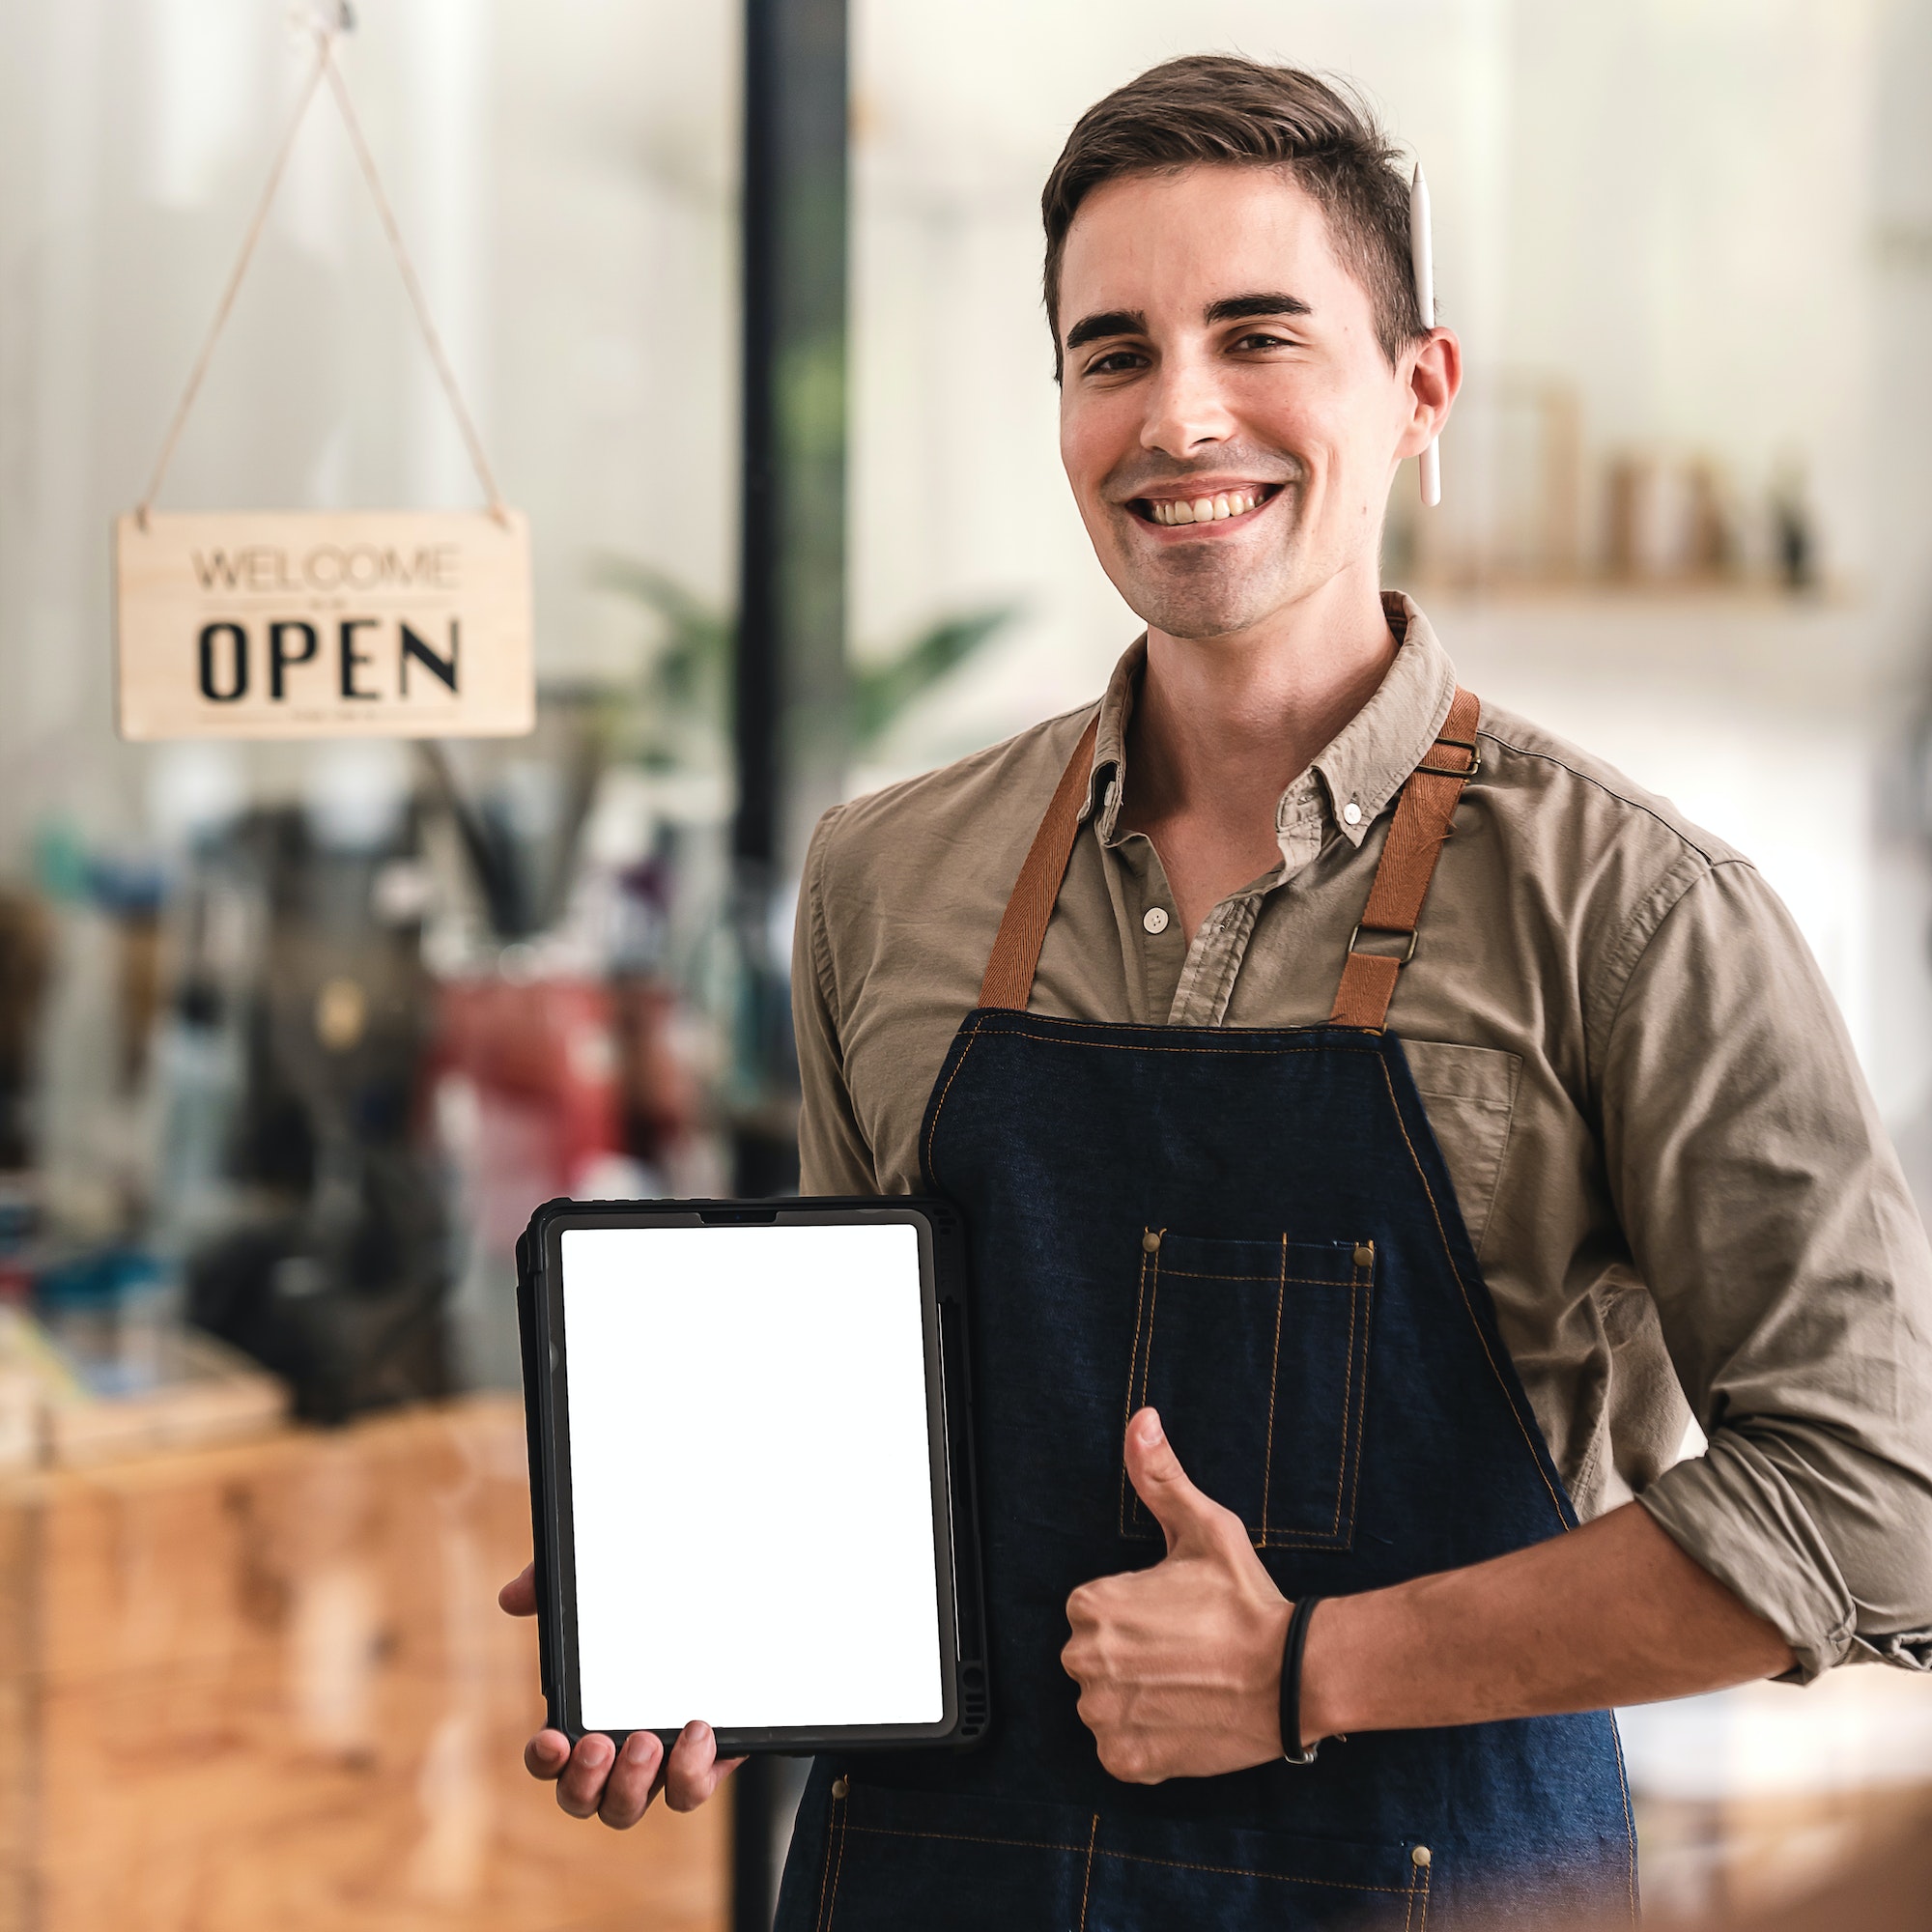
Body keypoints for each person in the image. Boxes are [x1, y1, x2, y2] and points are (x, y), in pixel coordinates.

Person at [499, 55, 1932, 1926]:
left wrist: (1309, 1666)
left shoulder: (1637, 910)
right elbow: (881, 1435)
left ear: (1420, 391)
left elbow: (1869, 1501)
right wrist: (708, 1599)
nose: (1178, 417)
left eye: (1256, 336)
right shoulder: (884, 877)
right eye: (1112, 353)